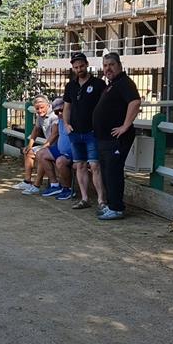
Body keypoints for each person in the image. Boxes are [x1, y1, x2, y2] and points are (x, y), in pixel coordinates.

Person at [93, 53, 142, 220]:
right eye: (105, 65)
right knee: (107, 172)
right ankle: (111, 204)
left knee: (113, 172)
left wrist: (125, 125)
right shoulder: (112, 85)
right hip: (105, 139)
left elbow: (135, 102)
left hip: (117, 139)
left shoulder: (124, 83)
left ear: (119, 65)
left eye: (111, 64)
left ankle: (117, 208)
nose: (108, 68)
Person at [62, 52, 107, 210]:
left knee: (95, 165)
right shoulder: (70, 86)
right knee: (80, 165)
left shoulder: (99, 84)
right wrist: (66, 124)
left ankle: (101, 200)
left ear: (87, 64)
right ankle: (84, 198)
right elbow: (67, 107)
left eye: (81, 66)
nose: (79, 69)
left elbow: (105, 106)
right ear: (72, 68)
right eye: (76, 67)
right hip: (75, 132)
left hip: (92, 131)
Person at [16, 95, 60, 196]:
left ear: (47, 105)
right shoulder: (40, 115)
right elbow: (36, 130)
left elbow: (55, 134)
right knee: (29, 152)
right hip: (49, 146)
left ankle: (37, 185)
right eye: (37, 108)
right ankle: (27, 181)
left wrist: (44, 147)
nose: (39, 110)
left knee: (41, 154)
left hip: (56, 146)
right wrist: (30, 145)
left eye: (42, 107)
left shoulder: (54, 116)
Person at [39, 98, 75, 201]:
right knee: (41, 153)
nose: (59, 113)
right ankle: (55, 185)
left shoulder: (72, 118)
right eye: (56, 112)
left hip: (72, 153)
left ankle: (68, 188)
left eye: (61, 110)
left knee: (60, 161)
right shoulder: (59, 119)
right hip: (60, 150)